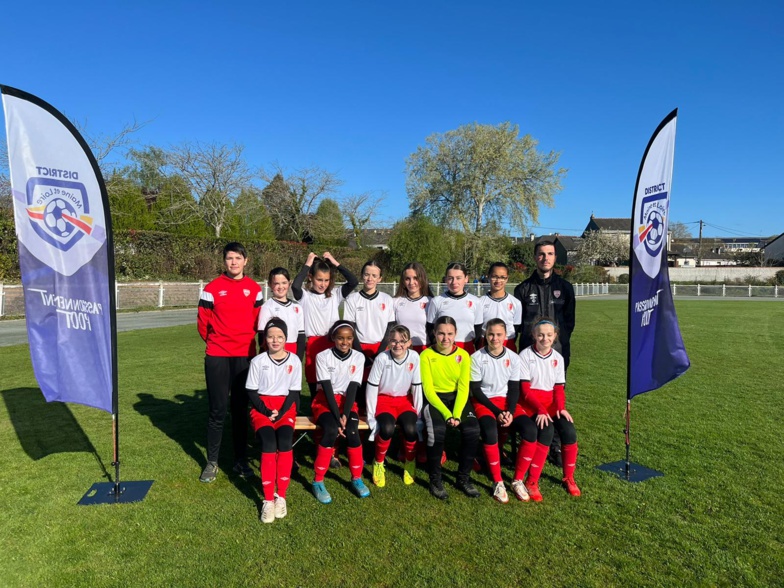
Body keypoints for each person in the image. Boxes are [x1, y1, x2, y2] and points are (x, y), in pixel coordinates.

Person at [197, 242, 262, 483]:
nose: (233, 262)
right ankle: (212, 462)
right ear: (224, 261)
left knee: (239, 410)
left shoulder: (254, 289)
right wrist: (217, 343)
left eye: (237, 258)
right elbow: (202, 324)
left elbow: (259, 324)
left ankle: (240, 460)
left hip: (244, 357)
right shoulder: (212, 288)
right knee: (217, 410)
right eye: (229, 258)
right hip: (218, 356)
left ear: (246, 260)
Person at [513, 239, 575, 466]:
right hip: (528, 356)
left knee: (555, 398)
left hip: (556, 354)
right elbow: (517, 325)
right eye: (541, 254)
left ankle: (555, 444)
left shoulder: (565, 288)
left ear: (555, 258)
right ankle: (530, 440)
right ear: (535, 258)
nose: (545, 258)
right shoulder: (523, 289)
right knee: (527, 396)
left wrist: (557, 346)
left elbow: (569, 323)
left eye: (549, 254)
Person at [470, 318, 535, 503]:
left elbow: (514, 388)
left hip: (507, 404)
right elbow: (476, 390)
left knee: (530, 430)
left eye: (499, 334)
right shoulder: (476, 357)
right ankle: (498, 481)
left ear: (505, 336)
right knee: (490, 431)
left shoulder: (514, 358)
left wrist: (510, 412)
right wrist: (497, 411)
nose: (495, 338)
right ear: (485, 335)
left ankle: (517, 479)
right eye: (491, 334)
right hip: (485, 403)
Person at [516, 318, 581, 501]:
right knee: (547, 430)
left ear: (555, 337)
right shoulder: (525, 356)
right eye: (541, 335)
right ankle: (532, 481)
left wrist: (560, 408)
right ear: (534, 335)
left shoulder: (558, 358)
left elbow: (559, 389)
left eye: (549, 335)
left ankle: (569, 477)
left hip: (551, 405)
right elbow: (526, 391)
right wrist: (540, 410)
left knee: (568, 430)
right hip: (531, 404)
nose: (545, 338)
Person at [246, 318, 301, 523]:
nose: (275, 340)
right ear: (265, 339)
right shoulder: (258, 361)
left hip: (285, 407)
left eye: (280, 336)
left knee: (285, 441)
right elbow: (251, 391)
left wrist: (281, 411)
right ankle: (268, 499)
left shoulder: (294, 360)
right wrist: (266, 411)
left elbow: (294, 392)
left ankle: (282, 496)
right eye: (271, 336)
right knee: (269, 443)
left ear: (286, 338)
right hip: (262, 408)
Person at [420, 315, 481, 499]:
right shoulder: (426, 355)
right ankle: (435, 479)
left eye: (449, 334)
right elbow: (428, 391)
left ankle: (463, 478)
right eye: (441, 333)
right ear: (434, 333)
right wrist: (448, 415)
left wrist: (456, 413)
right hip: (435, 400)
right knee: (437, 431)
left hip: (457, 400)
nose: (445, 338)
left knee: (472, 430)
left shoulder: (463, 355)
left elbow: (464, 388)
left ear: (455, 334)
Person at [310, 321, 370, 503]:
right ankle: (318, 480)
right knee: (330, 430)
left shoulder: (358, 357)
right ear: (333, 338)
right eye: (340, 338)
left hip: (347, 403)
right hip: (325, 402)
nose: (345, 342)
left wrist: (345, 414)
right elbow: (326, 388)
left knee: (352, 432)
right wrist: (337, 417)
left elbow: (353, 388)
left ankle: (357, 478)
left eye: (349, 338)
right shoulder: (323, 356)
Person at [291, 252, 358, 396]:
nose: (323, 284)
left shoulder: (335, 294)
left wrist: (334, 262)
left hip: (332, 343)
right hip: (314, 345)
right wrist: (308, 262)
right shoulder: (305, 296)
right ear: (310, 277)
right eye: (319, 279)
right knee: (314, 382)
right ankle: (315, 409)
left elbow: (353, 281)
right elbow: (295, 286)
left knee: (333, 382)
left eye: (326, 280)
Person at [365, 325, 423, 487]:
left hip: (404, 401)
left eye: (402, 341)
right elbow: (372, 387)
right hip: (384, 401)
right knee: (387, 428)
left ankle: (410, 462)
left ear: (409, 342)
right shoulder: (382, 358)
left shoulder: (414, 357)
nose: (398, 345)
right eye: (393, 341)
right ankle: (378, 462)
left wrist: (418, 416)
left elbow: (417, 385)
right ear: (388, 342)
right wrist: (370, 416)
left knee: (411, 429)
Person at [343, 259, 396, 394]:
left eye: (374, 275)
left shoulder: (387, 299)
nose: (370, 278)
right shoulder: (352, 299)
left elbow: (390, 328)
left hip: (381, 348)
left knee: (378, 388)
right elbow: (350, 329)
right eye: (367, 274)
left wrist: (380, 352)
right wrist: (360, 354)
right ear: (362, 275)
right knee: (358, 388)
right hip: (358, 348)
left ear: (380, 279)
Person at [426, 262, 482, 353]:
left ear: (466, 279)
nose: (454, 282)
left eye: (458, 278)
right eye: (450, 278)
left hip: (467, 348)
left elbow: (478, 331)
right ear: (446, 279)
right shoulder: (436, 301)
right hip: (444, 348)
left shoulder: (476, 301)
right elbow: (430, 328)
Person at [257, 267, 305, 358]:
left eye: (284, 283)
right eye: (276, 283)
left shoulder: (297, 307)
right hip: (274, 350)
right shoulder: (266, 307)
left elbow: (301, 335)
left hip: (293, 350)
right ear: (270, 285)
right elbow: (261, 336)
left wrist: (299, 358)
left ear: (289, 283)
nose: (281, 287)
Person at [479, 262, 523, 352]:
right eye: (495, 276)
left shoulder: (516, 303)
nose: (498, 281)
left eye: (502, 277)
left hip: (508, 344)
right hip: (486, 344)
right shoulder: (480, 302)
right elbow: (478, 327)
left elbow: (516, 327)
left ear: (507, 279)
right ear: (489, 277)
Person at [393, 262, 434, 354]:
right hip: (401, 350)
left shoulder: (431, 302)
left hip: (424, 350)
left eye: (415, 278)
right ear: (403, 281)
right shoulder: (395, 301)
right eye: (407, 279)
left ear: (422, 279)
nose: (411, 282)